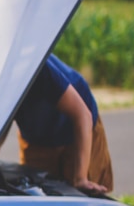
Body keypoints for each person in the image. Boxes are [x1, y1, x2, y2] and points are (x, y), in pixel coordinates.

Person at [13, 54, 113, 195]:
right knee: (36, 196)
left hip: (79, 129)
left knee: (83, 196)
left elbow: (82, 115)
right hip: (36, 136)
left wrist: (80, 178)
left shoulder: (36, 66)